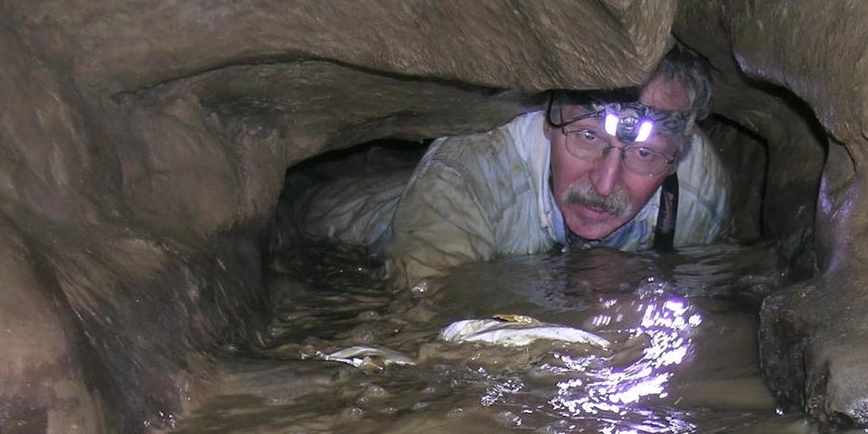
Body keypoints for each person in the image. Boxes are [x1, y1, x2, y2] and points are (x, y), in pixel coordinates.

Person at [297, 43, 730, 288]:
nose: (605, 183)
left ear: (678, 156)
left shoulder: (698, 195)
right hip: (349, 216)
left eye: (643, 154)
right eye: (587, 137)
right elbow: (423, 316)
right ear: (548, 120)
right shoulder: (468, 171)